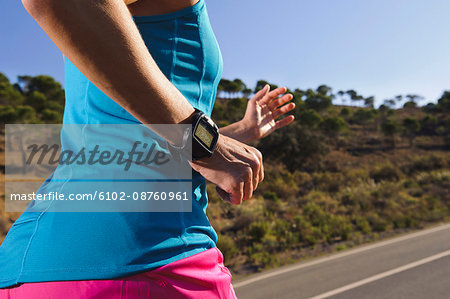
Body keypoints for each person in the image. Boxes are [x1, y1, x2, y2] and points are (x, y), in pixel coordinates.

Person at [0, 0, 295, 297]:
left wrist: (234, 134)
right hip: (147, 260)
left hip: (28, 268)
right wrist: (201, 141)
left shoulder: (100, 31)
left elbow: (131, 148)